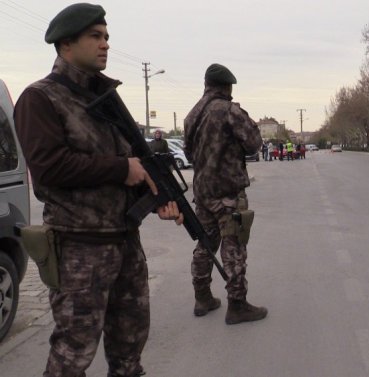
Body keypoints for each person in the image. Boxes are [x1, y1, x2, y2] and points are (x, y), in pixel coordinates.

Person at [13, 4, 184, 376]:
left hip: (125, 243)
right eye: (96, 36)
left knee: (129, 351)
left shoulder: (106, 100)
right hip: (79, 250)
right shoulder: (40, 98)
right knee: (72, 356)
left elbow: (134, 162)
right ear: (66, 44)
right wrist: (123, 169)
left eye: (106, 36)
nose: (105, 44)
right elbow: (48, 168)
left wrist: (157, 200)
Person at [184, 63, 268, 324]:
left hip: (202, 191)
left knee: (205, 244)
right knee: (234, 247)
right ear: (227, 87)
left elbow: (188, 153)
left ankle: (202, 297)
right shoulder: (230, 111)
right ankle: (237, 304)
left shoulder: (192, 115)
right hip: (228, 191)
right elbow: (254, 144)